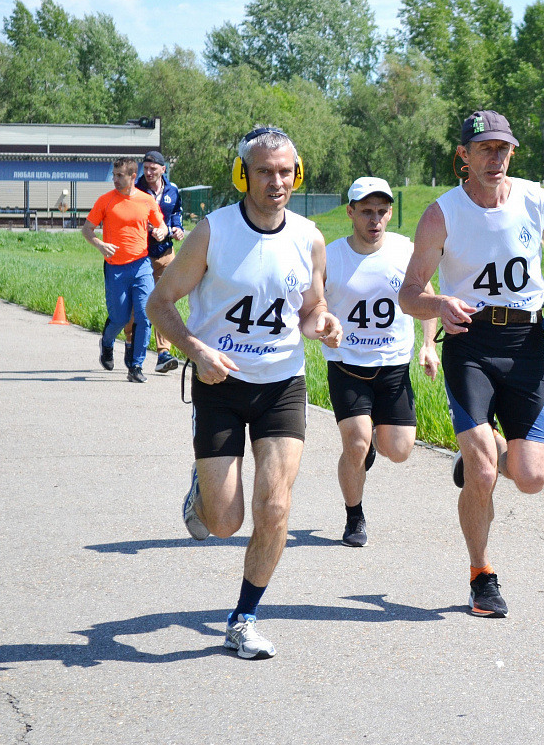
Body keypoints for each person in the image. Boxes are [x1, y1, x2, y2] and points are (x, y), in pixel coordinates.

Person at [147, 126, 342, 660]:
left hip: (282, 384)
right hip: (220, 381)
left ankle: (244, 617)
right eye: (264, 171)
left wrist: (323, 323)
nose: (276, 181)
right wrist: (197, 350)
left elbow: (309, 310)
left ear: (296, 173)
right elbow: (160, 303)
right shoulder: (213, 232)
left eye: (285, 171)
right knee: (224, 522)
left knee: (275, 507)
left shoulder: (309, 238)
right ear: (243, 175)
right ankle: (203, 491)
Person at [399, 110, 544, 619]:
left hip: (525, 342)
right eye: (484, 149)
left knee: (530, 478)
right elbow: (410, 293)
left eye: (503, 149)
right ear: (464, 156)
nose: (495, 158)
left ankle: (491, 449)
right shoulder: (442, 214)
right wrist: (440, 307)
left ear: (512, 153)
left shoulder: (534, 200)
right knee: (482, 472)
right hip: (470, 342)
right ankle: (482, 575)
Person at [323, 177, 439, 548]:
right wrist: (324, 325)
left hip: (393, 366)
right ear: (351, 212)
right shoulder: (331, 255)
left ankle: (372, 444)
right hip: (347, 366)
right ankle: (354, 516)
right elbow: (312, 303)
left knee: (400, 450)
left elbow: (427, 297)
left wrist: (428, 345)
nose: (375, 219)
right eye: (367, 212)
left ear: (389, 214)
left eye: (381, 211)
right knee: (356, 443)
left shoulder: (404, 251)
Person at [82, 157, 168, 383]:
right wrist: (100, 244)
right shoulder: (105, 201)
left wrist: (161, 232)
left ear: (132, 177)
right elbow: (87, 230)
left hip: (141, 266)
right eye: (114, 175)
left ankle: (136, 366)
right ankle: (107, 342)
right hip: (115, 269)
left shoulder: (147, 201)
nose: (115, 180)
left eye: (120, 176)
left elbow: (161, 225)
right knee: (119, 318)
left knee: (144, 315)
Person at [122, 151, 185, 374]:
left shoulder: (173, 190)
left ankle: (163, 353)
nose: (148, 172)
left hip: (166, 254)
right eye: (145, 168)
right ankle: (130, 342)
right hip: (139, 255)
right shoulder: (133, 190)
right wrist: (151, 229)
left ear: (163, 169)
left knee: (165, 301)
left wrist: (176, 229)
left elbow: (176, 214)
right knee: (138, 304)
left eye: (153, 168)